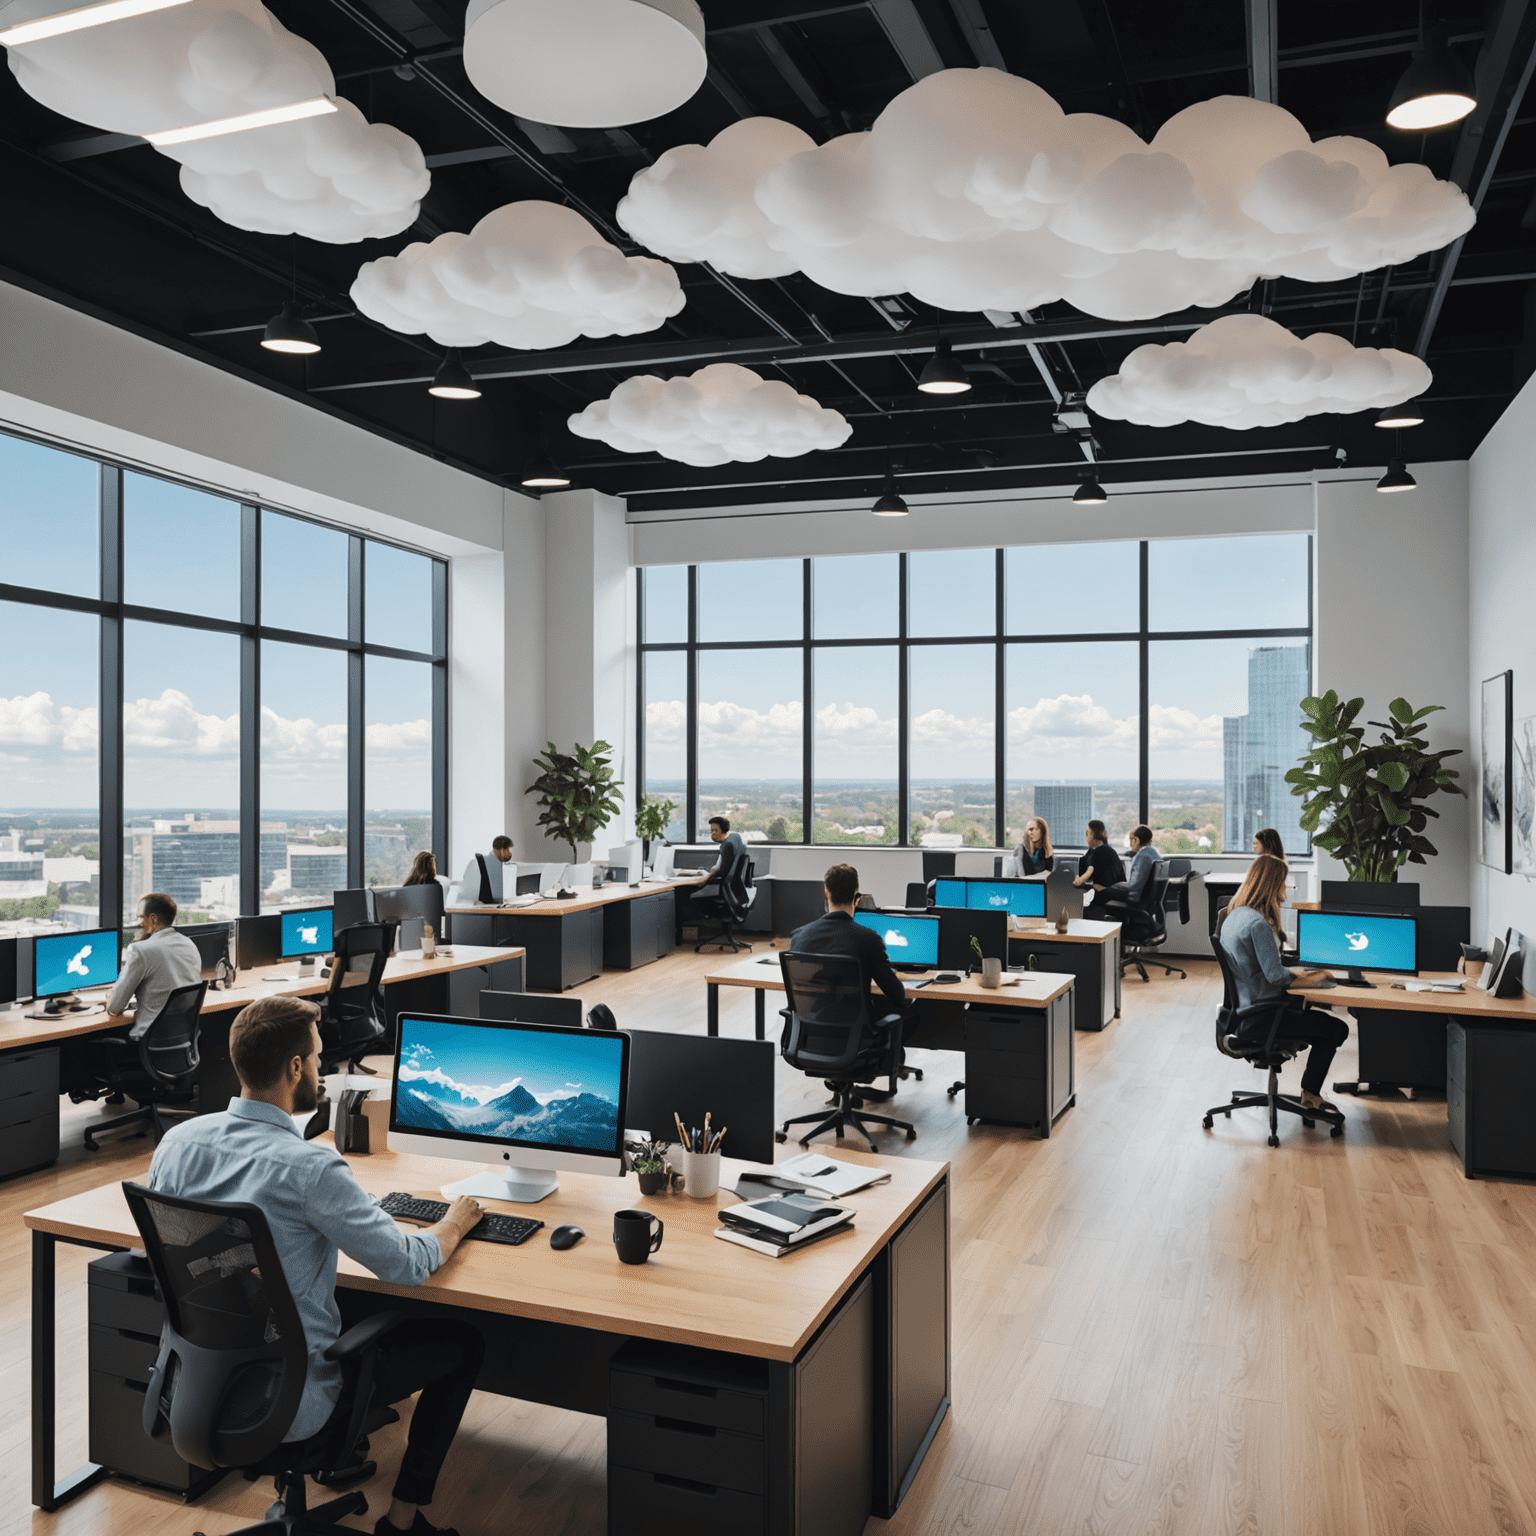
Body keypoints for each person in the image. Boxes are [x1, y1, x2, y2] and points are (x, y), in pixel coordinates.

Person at [149, 996, 485, 1536]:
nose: (323, 1068)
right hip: (291, 1403)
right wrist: (453, 1223)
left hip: (196, 1383)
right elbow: (405, 1265)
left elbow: (183, 1257)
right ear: (295, 1068)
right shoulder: (309, 1167)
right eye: (319, 1056)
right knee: (465, 1342)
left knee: (331, 1299)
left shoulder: (178, 1142)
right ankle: (401, 1521)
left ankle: (333, 1465)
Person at [1217, 854, 1346, 1113]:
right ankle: (1310, 1094)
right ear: (1273, 884)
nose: (1284, 890)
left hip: (1245, 1013)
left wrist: (1300, 974)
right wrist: (1314, 977)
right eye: (1283, 883)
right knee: (1336, 1029)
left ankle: (1310, 1093)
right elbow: (1275, 977)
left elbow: (1264, 969)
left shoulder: (1233, 915)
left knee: (1318, 1015)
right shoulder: (1258, 925)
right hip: (1265, 1016)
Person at [789, 864, 916, 1097]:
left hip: (808, 1039)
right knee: (904, 1011)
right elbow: (898, 995)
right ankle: (891, 1064)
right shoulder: (867, 939)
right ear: (858, 898)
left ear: (826, 893)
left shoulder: (799, 936)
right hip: (856, 1044)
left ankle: (840, 1087)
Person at [105, 892, 202, 1029]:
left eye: (141, 917)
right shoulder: (190, 944)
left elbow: (115, 1008)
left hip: (148, 1038)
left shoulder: (140, 950)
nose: (139, 923)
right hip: (182, 1037)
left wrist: (111, 995)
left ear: (153, 919)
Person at [1094, 825, 1162, 915]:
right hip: (1147, 898)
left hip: (1137, 901)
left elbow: (1134, 888)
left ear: (1136, 840)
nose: (1130, 844)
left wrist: (1106, 890)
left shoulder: (1142, 856)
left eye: (1131, 840)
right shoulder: (1154, 852)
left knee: (1099, 893)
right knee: (1113, 887)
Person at [1072, 821, 1126, 910]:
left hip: (1107, 894)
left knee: (1072, 894)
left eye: (1088, 833)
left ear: (1093, 834)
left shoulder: (1100, 852)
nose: (1086, 836)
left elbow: (1088, 871)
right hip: (1112, 892)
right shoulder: (1104, 849)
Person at [695, 815, 747, 891]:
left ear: (724, 830)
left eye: (716, 831)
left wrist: (709, 874)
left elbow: (723, 873)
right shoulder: (734, 838)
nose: (713, 834)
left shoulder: (727, 846)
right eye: (711, 831)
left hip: (722, 885)